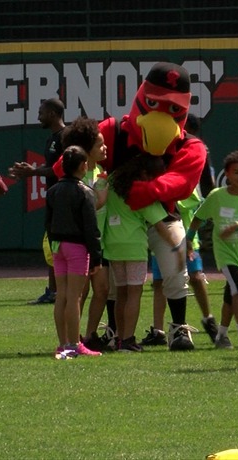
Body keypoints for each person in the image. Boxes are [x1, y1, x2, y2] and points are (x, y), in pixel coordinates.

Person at [97, 62, 206, 351]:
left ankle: (178, 328)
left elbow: (179, 183)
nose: (161, 113)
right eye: (154, 102)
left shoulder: (190, 146)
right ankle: (114, 330)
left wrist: (136, 189)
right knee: (112, 279)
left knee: (175, 267)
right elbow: (79, 160)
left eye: (172, 107)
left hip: (158, 212)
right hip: (119, 217)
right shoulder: (114, 130)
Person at [103, 154, 184, 352]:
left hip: (113, 246)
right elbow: (161, 226)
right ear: (144, 174)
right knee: (134, 294)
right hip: (134, 248)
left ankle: (119, 338)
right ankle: (129, 340)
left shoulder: (112, 183)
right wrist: (178, 250)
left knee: (120, 294)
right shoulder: (141, 193)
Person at [189, 151, 238, 350]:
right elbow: (197, 219)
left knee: (231, 294)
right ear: (226, 174)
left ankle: (221, 335)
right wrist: (188, 241)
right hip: (225, 254)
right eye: (236, 172)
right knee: (237, 287)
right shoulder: (217, 196)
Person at [58, 117, 110, 351]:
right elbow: (90, 206)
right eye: (99, 144)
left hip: (99, 242)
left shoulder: (100, 171)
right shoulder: (76, 175)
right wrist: (102, 191)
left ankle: (88, 335)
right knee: (79, 292)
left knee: (101, 290)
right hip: (81, 243)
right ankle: (73, 340)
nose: (105, 148)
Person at [46, 146, 102, 359]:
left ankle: (63, 344)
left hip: (57, 245)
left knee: (62, 295)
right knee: (74, 296)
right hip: (77, 246)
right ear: (82, 166)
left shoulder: (53, 191)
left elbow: (48, 222)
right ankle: (74, 344)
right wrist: (96, 256)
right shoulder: (84, 192)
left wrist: (53, 244)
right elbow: (91, 227)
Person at [143, 190, 218, 347]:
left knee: (196, 277)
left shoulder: (183, 178)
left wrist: (170, 197)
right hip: (163, 234)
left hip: (187, 237)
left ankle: (208, 320)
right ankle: (158, 332)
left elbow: (194, 200)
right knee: (159, 282)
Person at [9, 98, 66, 305]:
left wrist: (33, 172)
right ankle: (54, 290)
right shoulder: (51, 139)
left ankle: (57, 290)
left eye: (41, 112)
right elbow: (51, 167)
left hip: (64, 199)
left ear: (52, 113)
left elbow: (64, 169)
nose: (38, 116)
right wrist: (31, 170)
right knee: (51, 245)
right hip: (53, 197)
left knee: (56, 246)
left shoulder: (64, 137)